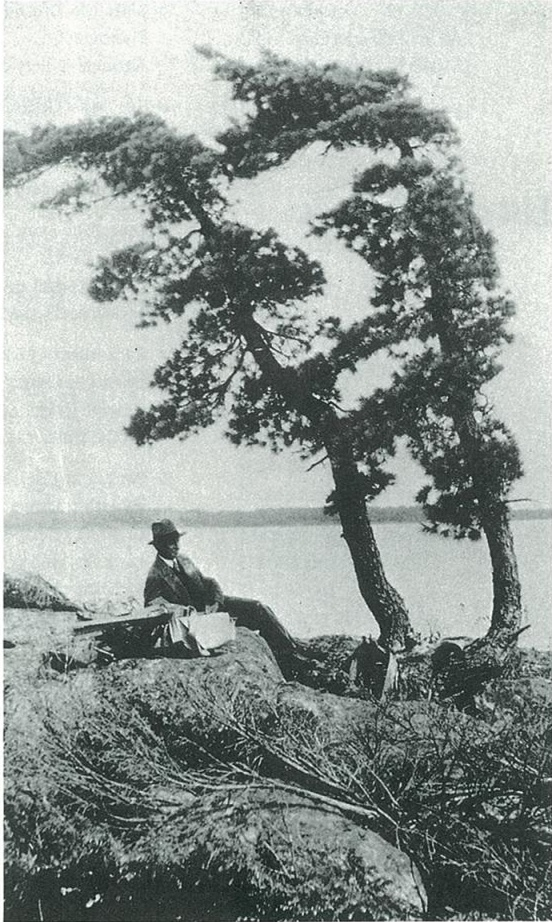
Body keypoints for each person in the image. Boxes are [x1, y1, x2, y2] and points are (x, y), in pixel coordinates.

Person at [144, 519, 306, 669]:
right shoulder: (155, 574)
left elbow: (208, 582)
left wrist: (215, 601)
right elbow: (152, 605)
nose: (176, 546)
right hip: (195, 622)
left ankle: (291, 650)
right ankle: (289, 660)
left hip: (212, 608)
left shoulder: (184, 560)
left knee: (258, 607)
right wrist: (182, 610)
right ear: (158, 546)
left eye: (176, 540)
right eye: (169, 542)